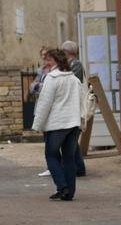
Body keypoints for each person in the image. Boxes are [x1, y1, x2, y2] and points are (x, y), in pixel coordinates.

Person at [32, 48, 84, 201]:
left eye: (49, 60)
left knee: (51, 155)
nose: (45, 63)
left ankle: (62, 187)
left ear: (57, 61)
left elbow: (44, 104)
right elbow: (80, 100)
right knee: (68, 157)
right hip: (73, 123)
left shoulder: (52, 78)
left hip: (57, 124)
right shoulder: (73, 79)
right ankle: (70, 192)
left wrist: (37, 125)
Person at [61, 40, 87, 177]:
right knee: (72, 139)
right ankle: (79, 167)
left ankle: (79, 168)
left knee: (71, 139)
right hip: (71, 105)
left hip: (74, 106)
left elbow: (72, 82)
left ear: (66, 52)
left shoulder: (76, 64)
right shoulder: (70, 64)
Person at [30, 46, 53, 177]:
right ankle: (50, 166)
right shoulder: (41, 71)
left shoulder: (56, 71)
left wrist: (40, 86)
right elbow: (32, 87)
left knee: (53, 140)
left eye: (46, 56)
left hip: (53, 110)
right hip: (41, 107)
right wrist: (39, 85)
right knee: (46, 139)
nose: (44, 59)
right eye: (42, 56)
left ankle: (55, 166)